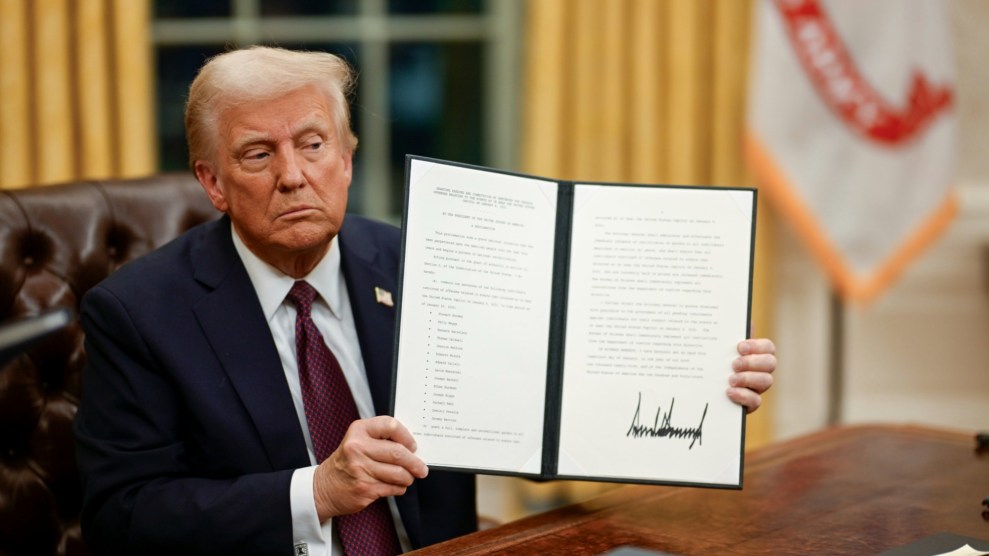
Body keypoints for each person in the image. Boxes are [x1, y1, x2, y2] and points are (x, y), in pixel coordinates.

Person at [73, 46, 776, 556]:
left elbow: (547, 409)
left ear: (345, 159)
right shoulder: (137, 313)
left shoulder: (428, 262)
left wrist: (698, 383)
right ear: (213, 182)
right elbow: (122, 516)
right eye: (258, 154)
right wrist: (314, 492)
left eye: (312, 144)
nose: (293, 176)